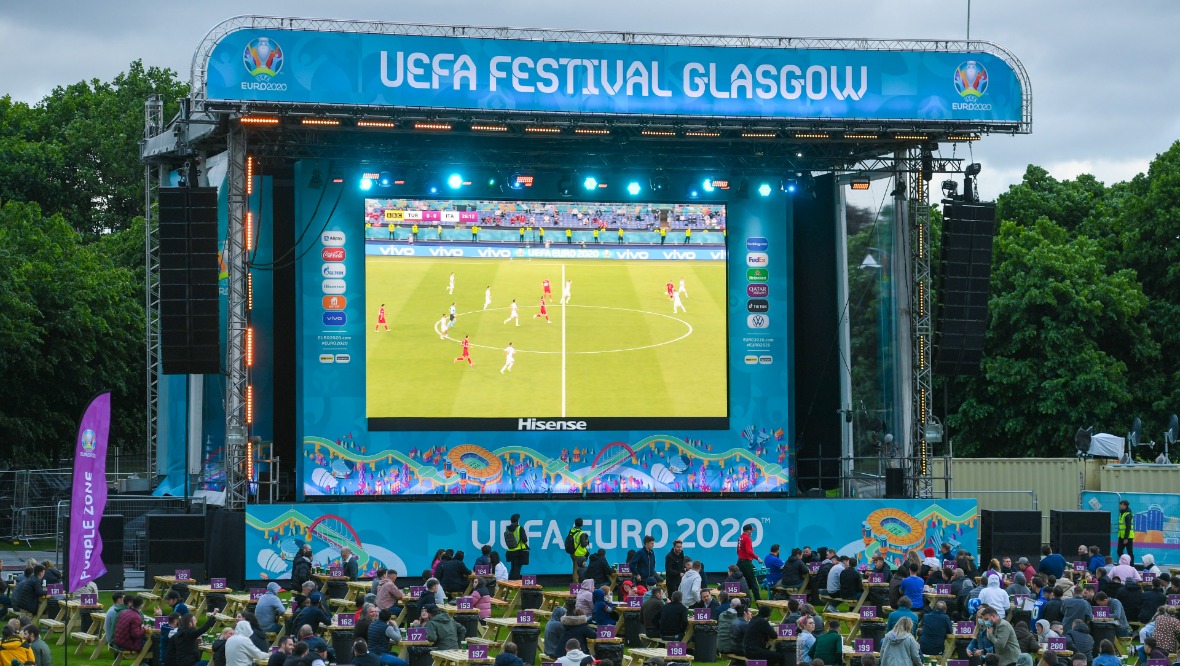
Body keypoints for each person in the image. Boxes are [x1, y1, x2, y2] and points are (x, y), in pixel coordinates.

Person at [736, 524, 762, 601]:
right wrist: (757, 558)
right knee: (754, 583)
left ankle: (741, 599)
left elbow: (738, 550)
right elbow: (749, 551)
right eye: (751, 530)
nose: (752, 532)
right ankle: (759, 602)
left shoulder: (740, 537)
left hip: (740, 561)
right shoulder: (747, 538)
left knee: (739, 580)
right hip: (746, 562)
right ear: (748, 531)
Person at [566, 518, 590, 583]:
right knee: (578, 569)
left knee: (575, 568)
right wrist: (587, 541)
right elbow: (583, 544)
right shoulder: (581, 533)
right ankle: (576, 584)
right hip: (579, 554)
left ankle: (575, 582)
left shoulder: (572, 530)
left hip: (572, 552)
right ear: (582, 524)